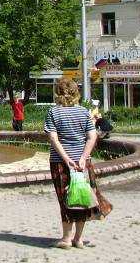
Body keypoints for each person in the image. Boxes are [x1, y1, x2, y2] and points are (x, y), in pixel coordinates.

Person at [44, 79, 112, 250]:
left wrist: (66, 158)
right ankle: (78, 239)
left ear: (57, 93)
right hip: (83, 164)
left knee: (66, 199)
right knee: (82, 197)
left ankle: (66, 239)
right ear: (76, 93)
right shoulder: (83, 112)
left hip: (60, 163)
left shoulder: (53, 112)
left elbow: (53, 138)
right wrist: (83, 157)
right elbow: (92, 136)